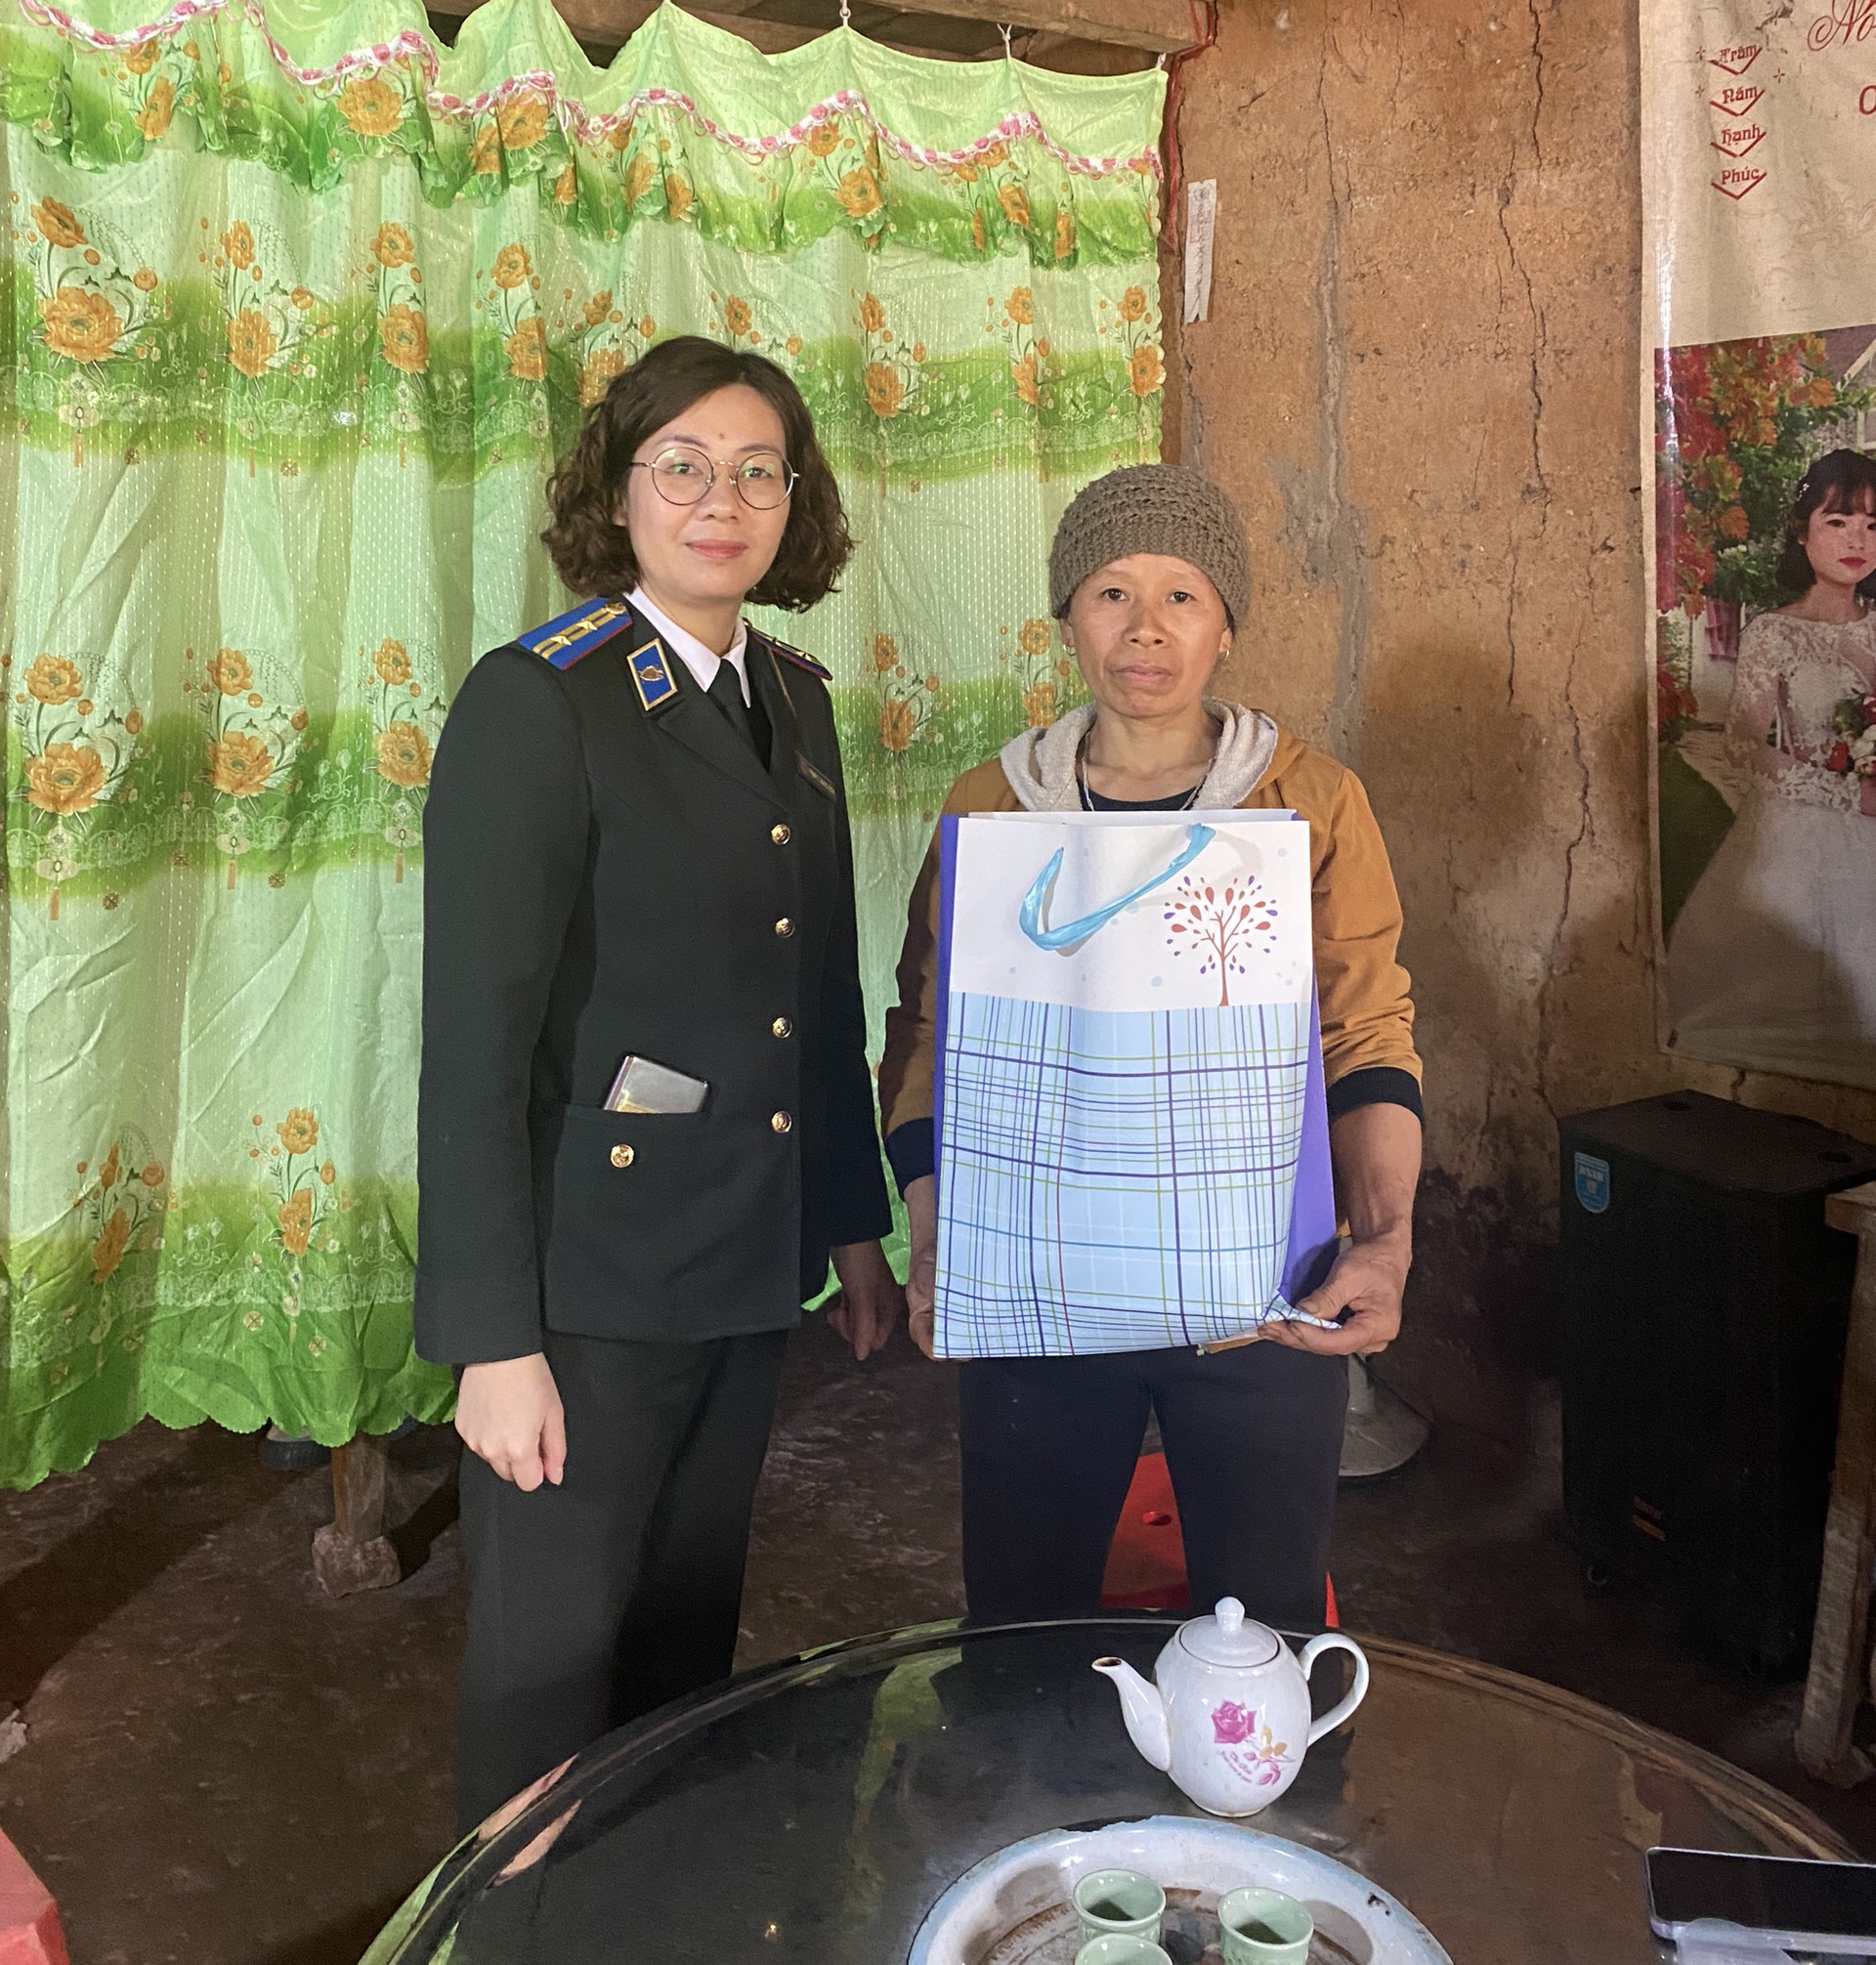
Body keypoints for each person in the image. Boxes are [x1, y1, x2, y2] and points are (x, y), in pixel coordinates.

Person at [416, 334, 898, 1829]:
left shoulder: (794, 702)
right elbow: (474, 1045)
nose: (721, 501)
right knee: (548, 1680)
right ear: (616, 494)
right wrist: (493, 1343)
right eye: (681, 466)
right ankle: (515, 1925)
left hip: (747, 1264)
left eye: (759, 471)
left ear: (796, 501)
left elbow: (816, 994)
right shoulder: (541, 701)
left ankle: (645, 1905)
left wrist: (852, 1229)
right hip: (591, 1291)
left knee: (687, 1650)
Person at [877, 462, 1422, 1632]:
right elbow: (927, 1036)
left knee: (1262, 1630)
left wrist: (1383, 1241)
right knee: (1024, 1625)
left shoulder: (1310, 804)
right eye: (1112, 592)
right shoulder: (991, 807)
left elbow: (1365, 1031)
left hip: (1261, 1299)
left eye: (1182, 594)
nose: (1146, 627)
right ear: (1068, 616)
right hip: (1038, 1292)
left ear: (1227, 623)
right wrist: (932, 1235)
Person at [1666, 447, 1876, 1082]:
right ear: (1801, 531)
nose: (1857, 540)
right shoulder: (1774, 633)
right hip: (1806, 826)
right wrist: (1848, 794)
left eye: (1872, 524)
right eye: (1838, 521)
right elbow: (1743, 743)